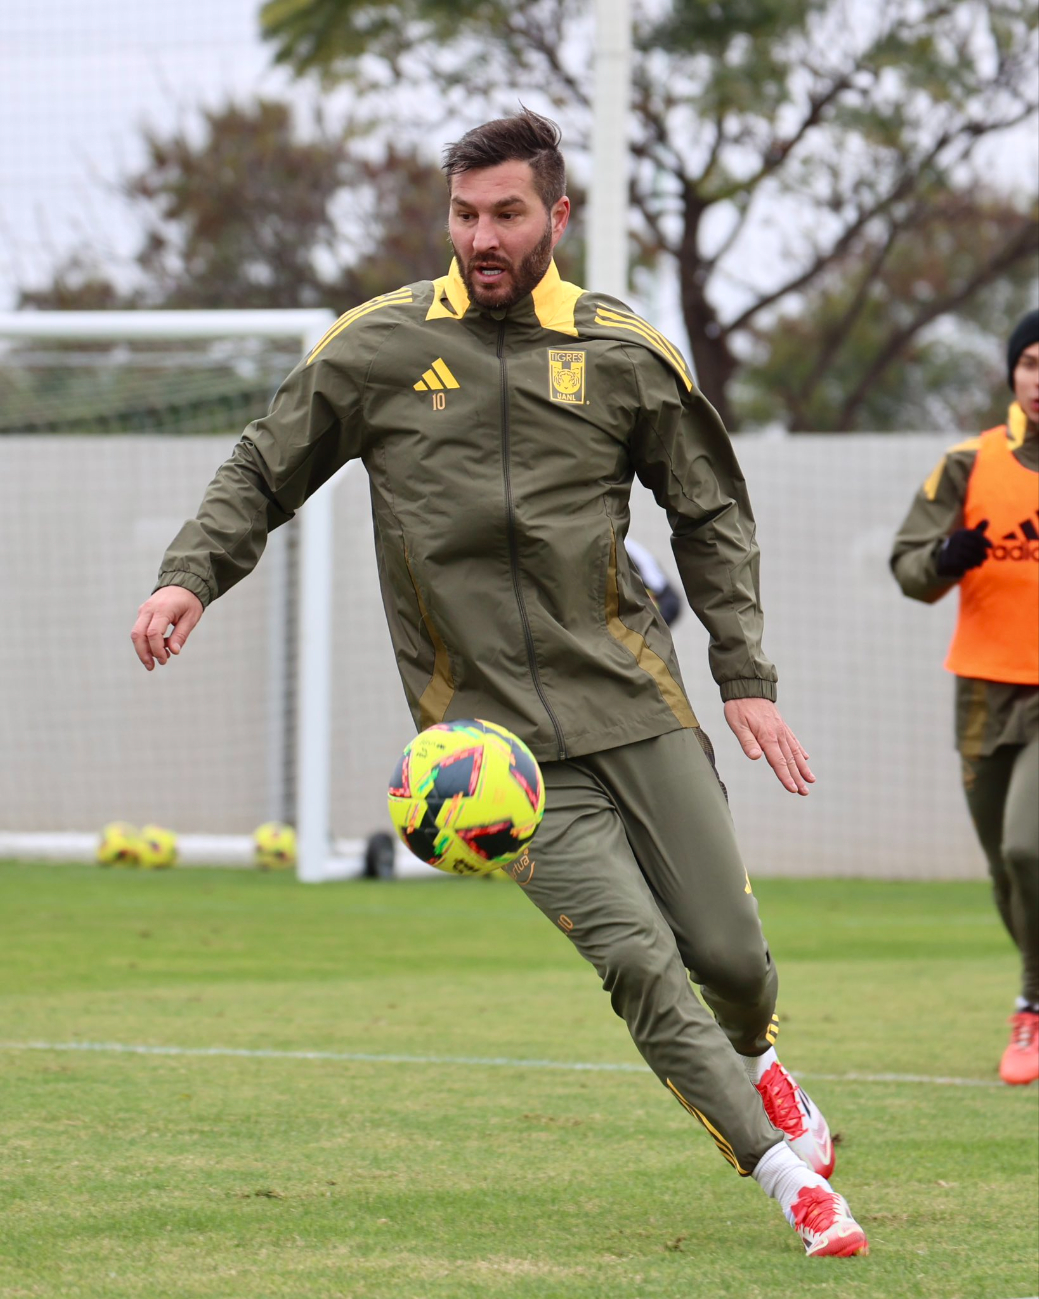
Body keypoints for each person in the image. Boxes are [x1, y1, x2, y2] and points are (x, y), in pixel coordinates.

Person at [131, 109, 867, 1256]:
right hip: (490, 752)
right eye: (464, 213)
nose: (480, 235)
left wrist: (742, 672)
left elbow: (710, 510)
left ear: (555, 217)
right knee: (635, 959)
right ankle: (788, 1180)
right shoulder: (375, 348)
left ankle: (761, 1053)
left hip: (634, 703)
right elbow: (262, 464)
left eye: (506, 213)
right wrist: (190, 577)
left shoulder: (623, 352)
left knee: (725, 955)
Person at [891, 309, 1039, 1086]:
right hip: (983, 689)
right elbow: (907, 564)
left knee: (1028, 845)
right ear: (1013, 373)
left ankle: (1031, 1007)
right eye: (1031, 363)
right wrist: (947, 556)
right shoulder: (966, 462)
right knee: (1003, 870)